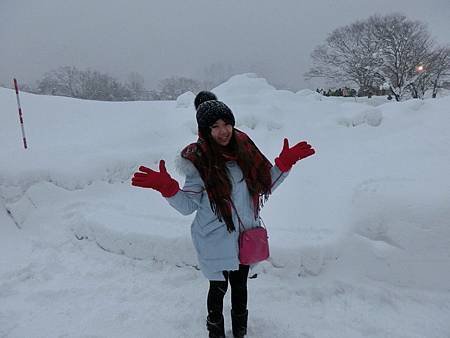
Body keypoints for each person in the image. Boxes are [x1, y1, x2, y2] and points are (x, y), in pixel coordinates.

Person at [131, 91, 315, 338]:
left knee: (240, 286)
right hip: (214, 238)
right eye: (215, 126)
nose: (223, 131)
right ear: (205, 130)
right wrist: (168, 188)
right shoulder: (199, 161)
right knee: (217, 288)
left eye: (227, 124)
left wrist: (283, 164)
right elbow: (188, 206)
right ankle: (215, 332)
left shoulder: (245, 152)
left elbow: (264, 185)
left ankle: (240, 332)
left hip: (245, 235)